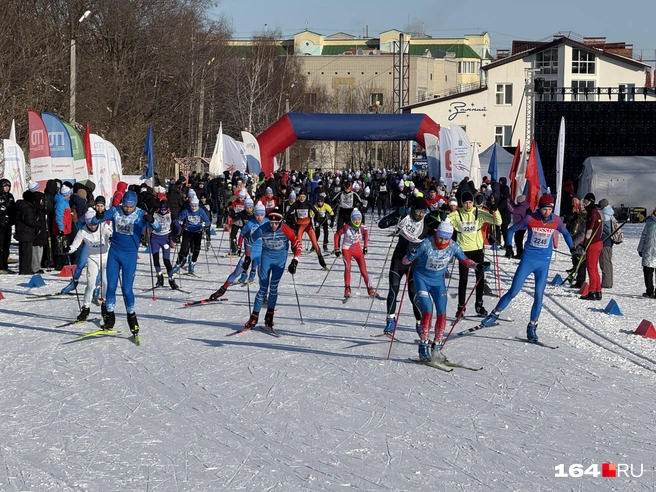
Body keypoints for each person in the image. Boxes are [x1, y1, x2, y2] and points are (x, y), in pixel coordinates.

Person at [480, 194, 575, 341]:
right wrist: (509, 246)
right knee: (514, 290)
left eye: (549, 209)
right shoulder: (530, 218)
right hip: (528, 259)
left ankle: (532, 326)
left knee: (539, 295)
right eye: (544, 209)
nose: (547, 213)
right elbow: (511, 230)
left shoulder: (556, 220)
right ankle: (494, 314)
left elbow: (566, 234)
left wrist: (573, 250)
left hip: (543, 263)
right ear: (539, 208)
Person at [403, 221, 481, 360]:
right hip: (422, 279)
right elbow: (405, 262)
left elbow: (466, 261)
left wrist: (478, 266)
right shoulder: (426, 244)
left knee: (442, 312)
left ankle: (437, 347)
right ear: (436, 234)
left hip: (438, 282)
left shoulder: (453, 247)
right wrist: (411, 254)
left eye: (446, 238)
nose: (443, 241)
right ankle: (423, 346)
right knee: (427, 310)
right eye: (440, 237)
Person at [90, 190, 161, 336]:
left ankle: (131, 316)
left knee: (127, 289)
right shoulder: (116, 210)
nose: (128, 209)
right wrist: (98, 217)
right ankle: (110, 316)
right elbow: (93, 222)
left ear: (135, 205)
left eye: (130, 207)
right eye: (126, 206)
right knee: (110, 286)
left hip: (129, 256)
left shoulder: (140, 214)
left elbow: (158, 228)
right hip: (114, 253)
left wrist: (151, 220)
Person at [379, 197, 437, 336]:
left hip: (415, 264)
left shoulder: (427, 221)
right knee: (393, 290)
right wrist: (396, 214)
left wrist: (442, 218)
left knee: (414, 295)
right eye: (419, 211)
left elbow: (444, 232)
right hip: (398, 261)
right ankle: (390, 320)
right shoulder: (404, 217)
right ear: (413, 209)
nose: (421, 214)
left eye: (424, 211)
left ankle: (420, 324)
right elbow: (382, 224)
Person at [240, 208, 302, 330]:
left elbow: (297, 243)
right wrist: (247, 257)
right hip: (266, 259)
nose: (273, 225)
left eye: (276, 223)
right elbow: (249, 241)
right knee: (263, 288)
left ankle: (269, 315)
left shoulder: (285, 230)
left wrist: (295, 260)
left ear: (281, 222)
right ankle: (254, 316)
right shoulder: (263, 228)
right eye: (271, 223)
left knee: (273, 287)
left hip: (280, 260)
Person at [448, 190, 502, 317]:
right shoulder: (457, 214)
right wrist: (439, 215)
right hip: (463, 252)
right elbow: (442, 220)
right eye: (466, 203)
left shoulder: (479, 213)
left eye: (470, 202)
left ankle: (479, 305)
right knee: (463, 280)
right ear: (461, 203)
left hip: (477, 250)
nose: (468, 205)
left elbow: (497, 221)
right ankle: (461, 307)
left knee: (480, 279)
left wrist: (495, 210)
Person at [210, 203, 269, 299]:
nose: (259, 217)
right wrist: (239, 245)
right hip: (251, 251)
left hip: (263, 252)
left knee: (263, 275)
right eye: (257, 215)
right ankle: (221, 290)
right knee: (237, 272)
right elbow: (242, 234)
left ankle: (264, 296)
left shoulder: (267, 223)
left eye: (262, 215)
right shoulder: (250, 223)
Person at [66, 209, 113, 321]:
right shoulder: (82, 231)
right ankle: (85, 308)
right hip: (92, 259)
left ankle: (105, 306)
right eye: (89, 224)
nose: (92, 226)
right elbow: (74, 246)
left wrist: (112, 237)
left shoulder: (103, 227)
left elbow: (111, 234)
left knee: (106, 282)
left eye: (93, 223)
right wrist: (68, 249)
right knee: (90, 284)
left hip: (105, 258)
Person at [333, 209, 377, 299]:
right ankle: (347, 289)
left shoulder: (363, 227)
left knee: (363, 270)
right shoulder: (346, 227)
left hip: (357, 250)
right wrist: (336, 249)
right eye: (355, 219)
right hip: (347, 249)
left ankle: (370, 289)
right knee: (348, 267)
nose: (357, 221)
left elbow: (366, 234)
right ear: (352, 219)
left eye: (359, 219)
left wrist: (365, 247)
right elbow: (337, 235)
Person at [285, 189, 327, 269]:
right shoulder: (295, 204)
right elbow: (288, 213)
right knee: (299, 246)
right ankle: (294, 263)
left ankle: (321, 260)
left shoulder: (308, 204)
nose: (302, 198)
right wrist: (284, 219)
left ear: (306, 197)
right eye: (300, 196)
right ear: (298, 197)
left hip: (308, 226)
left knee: (315, 243)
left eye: (303, 197)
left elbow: (316, 212)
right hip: (299, 226)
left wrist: (317, 222)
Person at [171, 196, 211, 275]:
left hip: (197, 232)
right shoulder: (187, 210)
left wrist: (204, 224)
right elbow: (179, 218)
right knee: (183, 249)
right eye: (192, 206)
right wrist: (180, 221)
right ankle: (177, 265)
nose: (193, 207)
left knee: (196, 249)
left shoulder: (201, 211)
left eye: (195, 206)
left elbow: (208, 221)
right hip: (187, 231)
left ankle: (192, 264)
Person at [151, 199, 182, 289]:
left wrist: (178, 236)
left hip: (165, 240)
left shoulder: (171, 216)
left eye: (164, 209)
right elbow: (147, 224)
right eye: (161, 209)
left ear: (168, 209)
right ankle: (159, 278)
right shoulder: (155, 215)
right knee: (156, 259)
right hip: (155, 239)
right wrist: (142, 234)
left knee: (166, 261)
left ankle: (171, 279)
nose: (163, 211)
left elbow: (179, 228)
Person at [580, 193, 603, 300]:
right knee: (594, 268)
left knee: (591, 268)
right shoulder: (594, 212)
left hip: (593, 243)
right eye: (584, 202)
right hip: (597, 242)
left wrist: (584, 244)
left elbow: (589, 231)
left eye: (586, 202)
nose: (584, 204)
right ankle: (598, 290)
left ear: (591, 202)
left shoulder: (593, 213)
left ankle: (592, 291)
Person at [638, 207, 656, 299]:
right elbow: (643, 236)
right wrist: (640, 248)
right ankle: (649, 291)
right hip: (648, 251)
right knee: (647, 272)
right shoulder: (650, 222)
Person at [598, 198, 615, 289]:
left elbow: (606, 230)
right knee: (608, 262)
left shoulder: (605, 215)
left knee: (604, 263)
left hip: (605, 241)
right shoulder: (610, 213)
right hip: (610, 242)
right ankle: (609, 281)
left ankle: (606, 283)